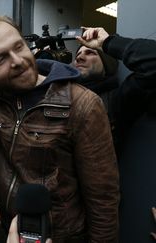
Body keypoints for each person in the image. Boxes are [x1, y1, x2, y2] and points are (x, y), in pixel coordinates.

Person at [0, 16, 119, 242]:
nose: (17, 60)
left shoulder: (82, 104)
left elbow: (103, 201)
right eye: (0, 59)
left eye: (18, 46)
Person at [73, 28, 156, 242]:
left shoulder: (117, 100)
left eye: (91, 53)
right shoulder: (55, 99)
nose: (80, 55)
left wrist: (108, 43)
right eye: (78, 54)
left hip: (97, 219)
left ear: (108, 65)